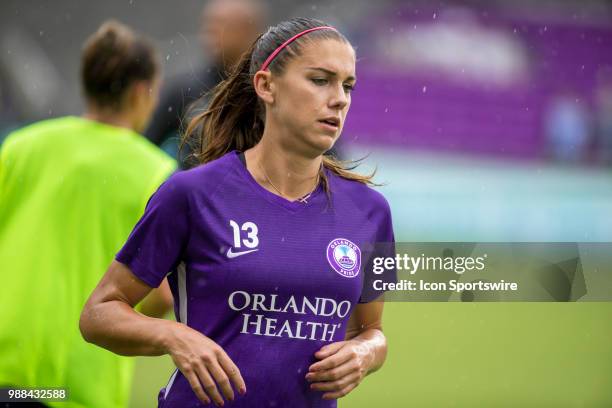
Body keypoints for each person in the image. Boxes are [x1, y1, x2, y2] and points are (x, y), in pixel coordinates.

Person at [80, 17, 395, 407]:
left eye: (347, 85)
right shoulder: (190, 195)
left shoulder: (371, 212)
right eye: (320, 80)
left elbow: (371, 331)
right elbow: (98, 315)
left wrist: (364, 354)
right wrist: (174, 337)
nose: (339, 99)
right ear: (266, 86)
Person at [0, 21, 176, 408]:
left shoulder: (20, 145)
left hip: (5, 358)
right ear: (139, 92)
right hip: (78, 372)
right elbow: (157, 297)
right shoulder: (154, 171)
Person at [145, 0, 267, 164]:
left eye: (221, 24)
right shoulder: (185, 89)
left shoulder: (269, 88)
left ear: (250, 31)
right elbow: (145, 145)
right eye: (208, 24)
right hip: (197, 189)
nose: (209, 32)